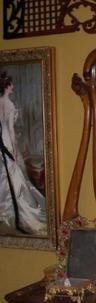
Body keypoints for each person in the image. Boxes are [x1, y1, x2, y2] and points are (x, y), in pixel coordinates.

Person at [0, 71, 47, 235]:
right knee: (13, 174)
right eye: (11, 84)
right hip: (5, 140)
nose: (13, 87)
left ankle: (5, 210)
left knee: (5, 175)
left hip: (0, 139)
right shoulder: (9, 104)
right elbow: (11, 131)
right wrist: (13, 150)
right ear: (7, 86)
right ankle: (17, 212)